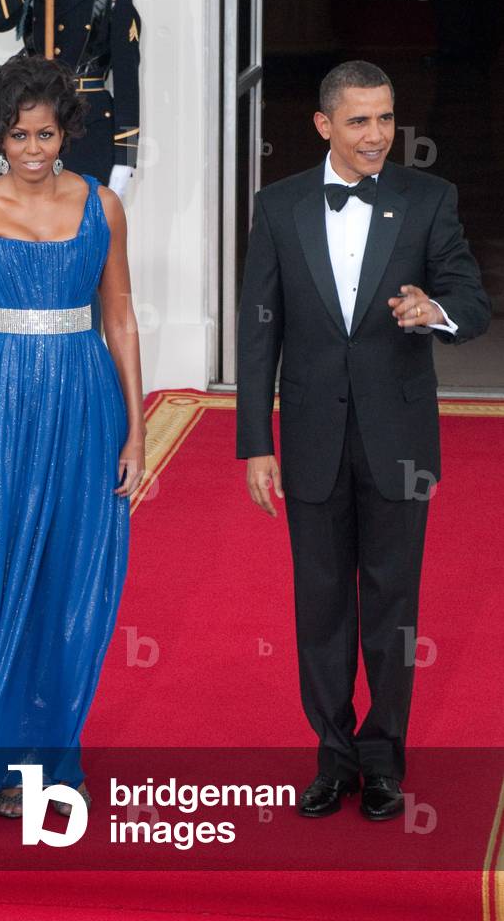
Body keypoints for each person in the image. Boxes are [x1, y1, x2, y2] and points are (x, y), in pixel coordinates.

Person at [236, 60, 491, 821]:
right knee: (319, 605)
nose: (377, 134)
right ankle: (332, 755)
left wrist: (434, 311)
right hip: (311, 436)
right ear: (324, 125)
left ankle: (382, 760)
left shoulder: (428, 199)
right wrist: (256, 442)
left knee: (392, 605)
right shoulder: (277, 207)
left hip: (397, 441)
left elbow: (471, 300)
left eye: (384, 118)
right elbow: (258, 334)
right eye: (358, 121)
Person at [0, 52, 146, 823]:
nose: (34, 150)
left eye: (45, 134)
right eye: (18, 136)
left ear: (65, 131)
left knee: (70, 578)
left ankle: (47, 753)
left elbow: (120, 318)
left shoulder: (101, 207)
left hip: (83, 401)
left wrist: (136, 431)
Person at [0, 0, 141, 336]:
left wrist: (125, 157)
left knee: (85, 249)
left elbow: (127, 76)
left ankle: (85, 346)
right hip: (34, 132)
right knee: (30, 239)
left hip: (89, 134)